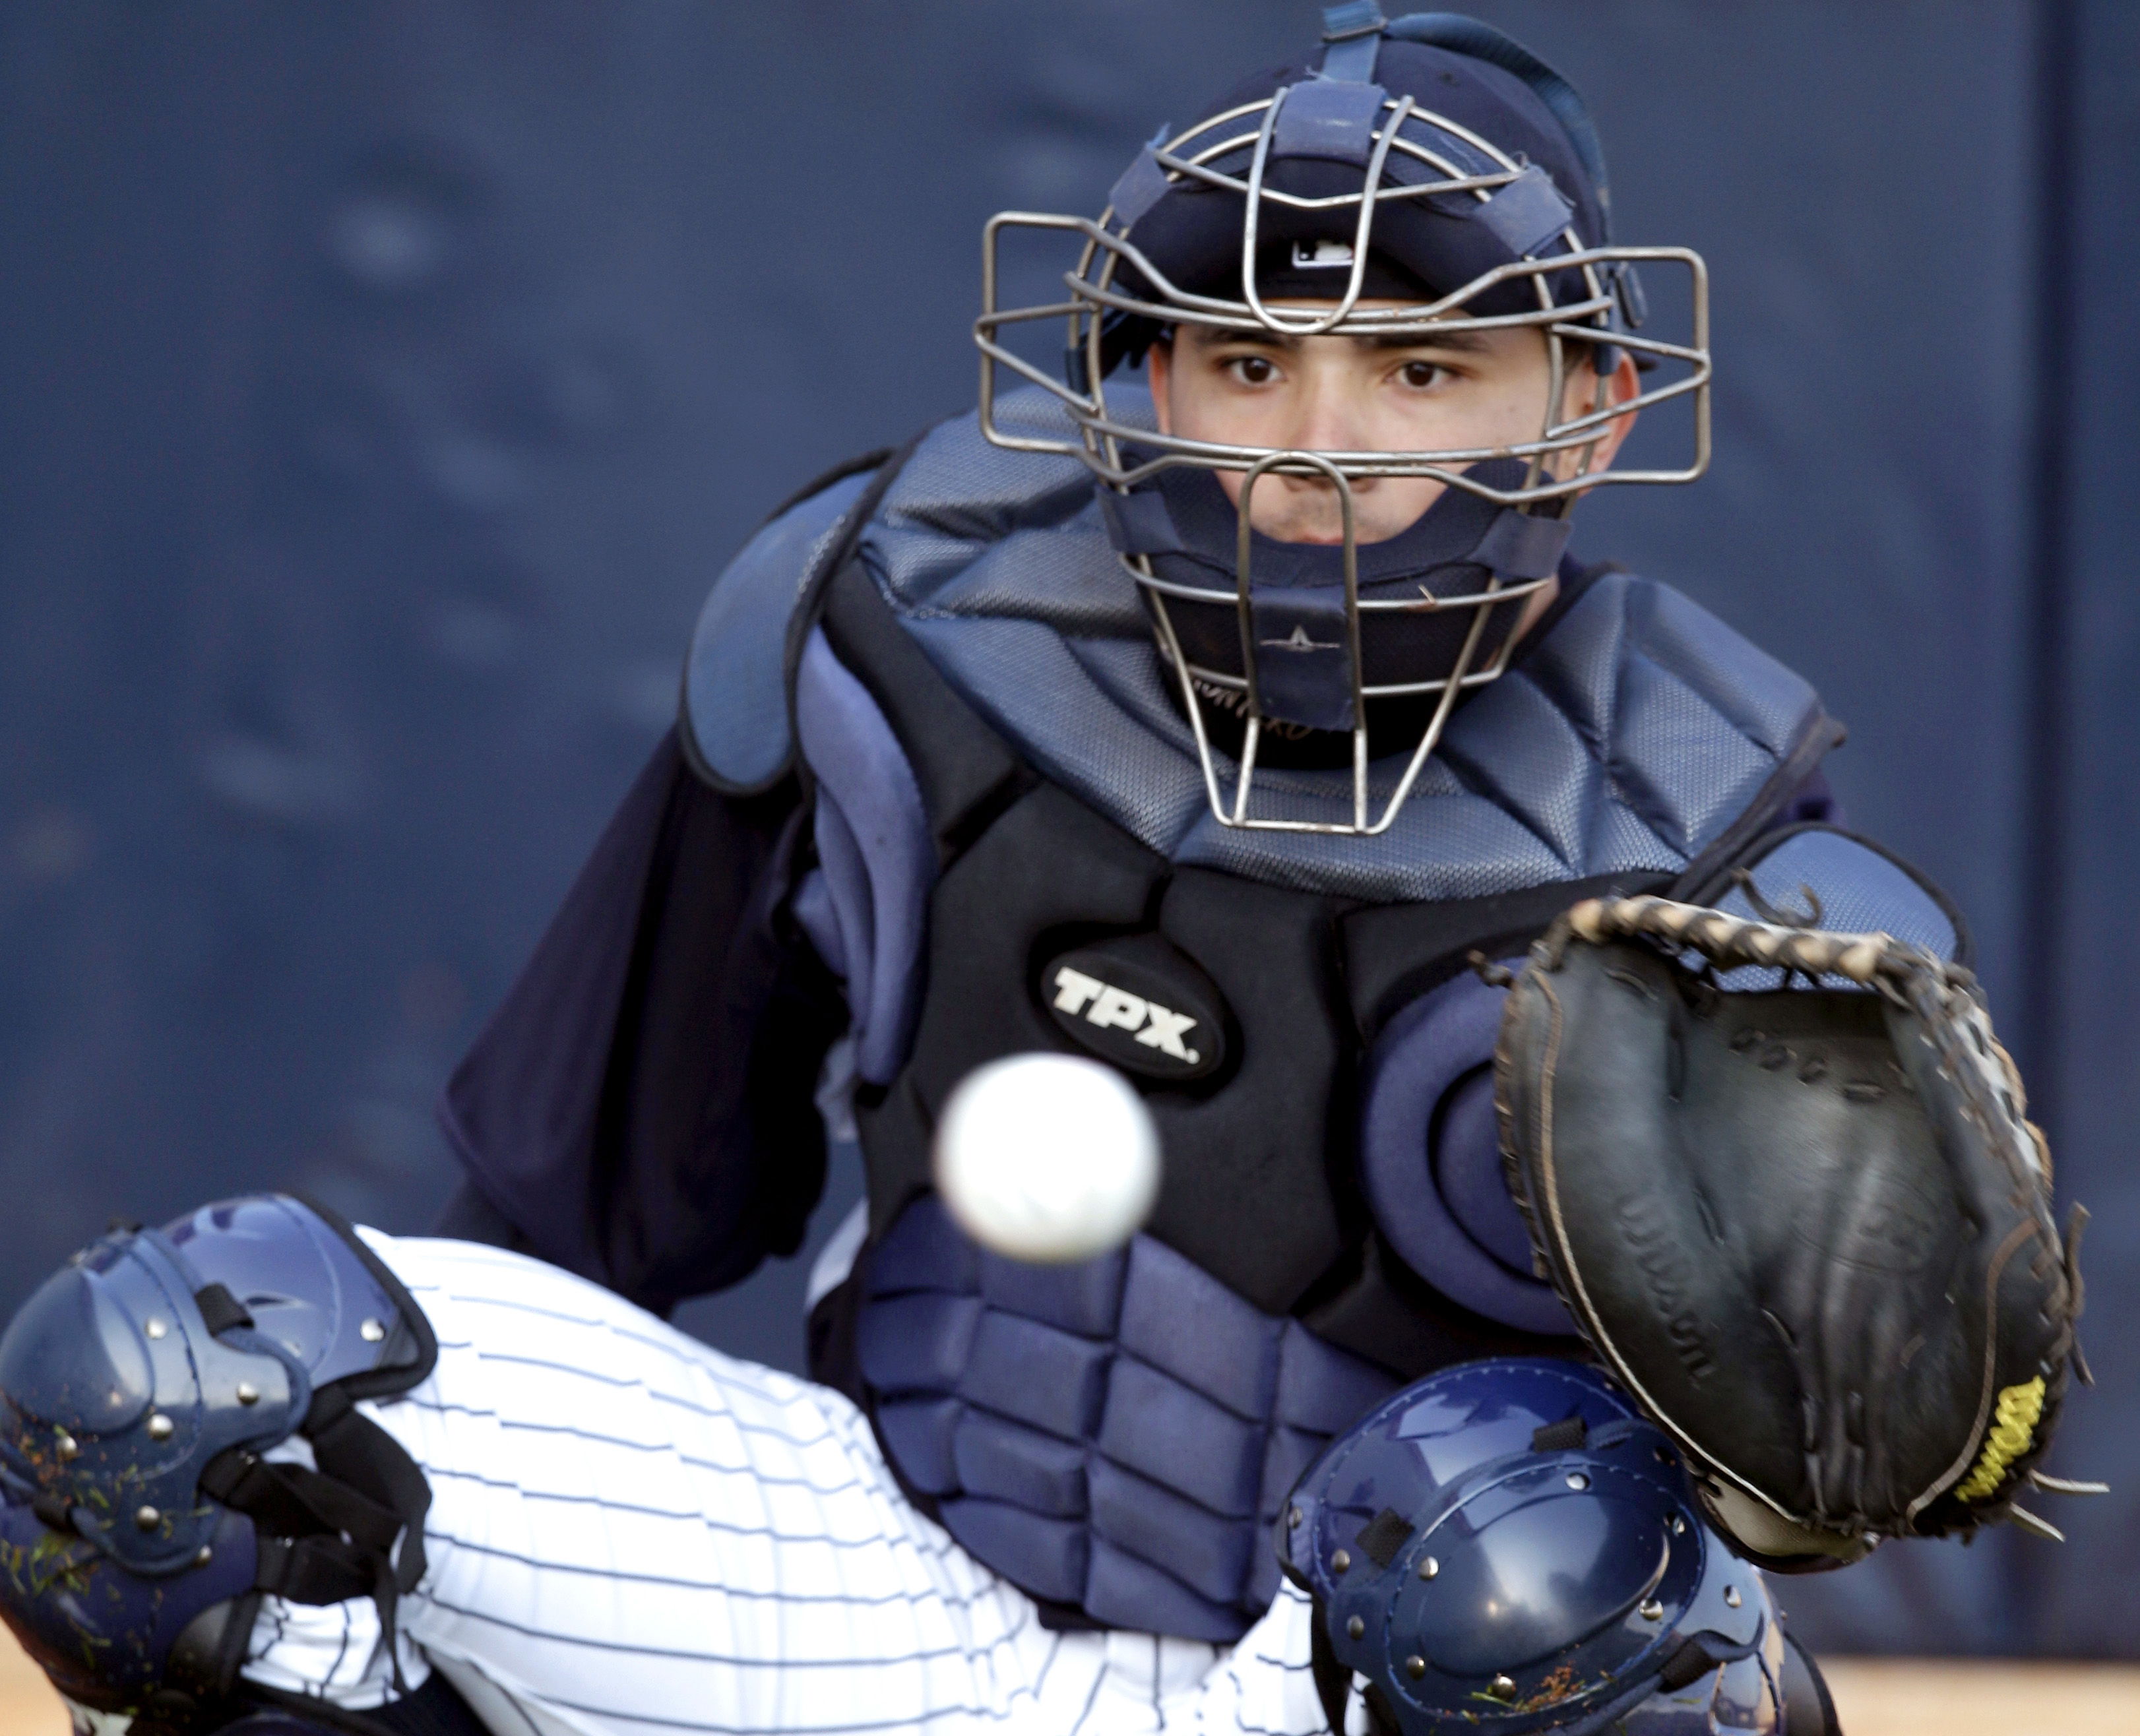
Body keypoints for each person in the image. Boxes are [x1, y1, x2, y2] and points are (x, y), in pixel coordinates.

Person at [0, 8, 1979, 1733]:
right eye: (1245, 361)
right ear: (1138, 382)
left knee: (1573, 1586)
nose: (1318, 452)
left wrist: (1882, 1405)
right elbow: (569, 1218)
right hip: (880, 1590)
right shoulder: (896, 636)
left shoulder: (1714, 871)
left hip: (1320, 1677)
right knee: (206, 1385)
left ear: (1589, 412)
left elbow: (1800, 1528)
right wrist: (432, 1556)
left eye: (1422, 369)